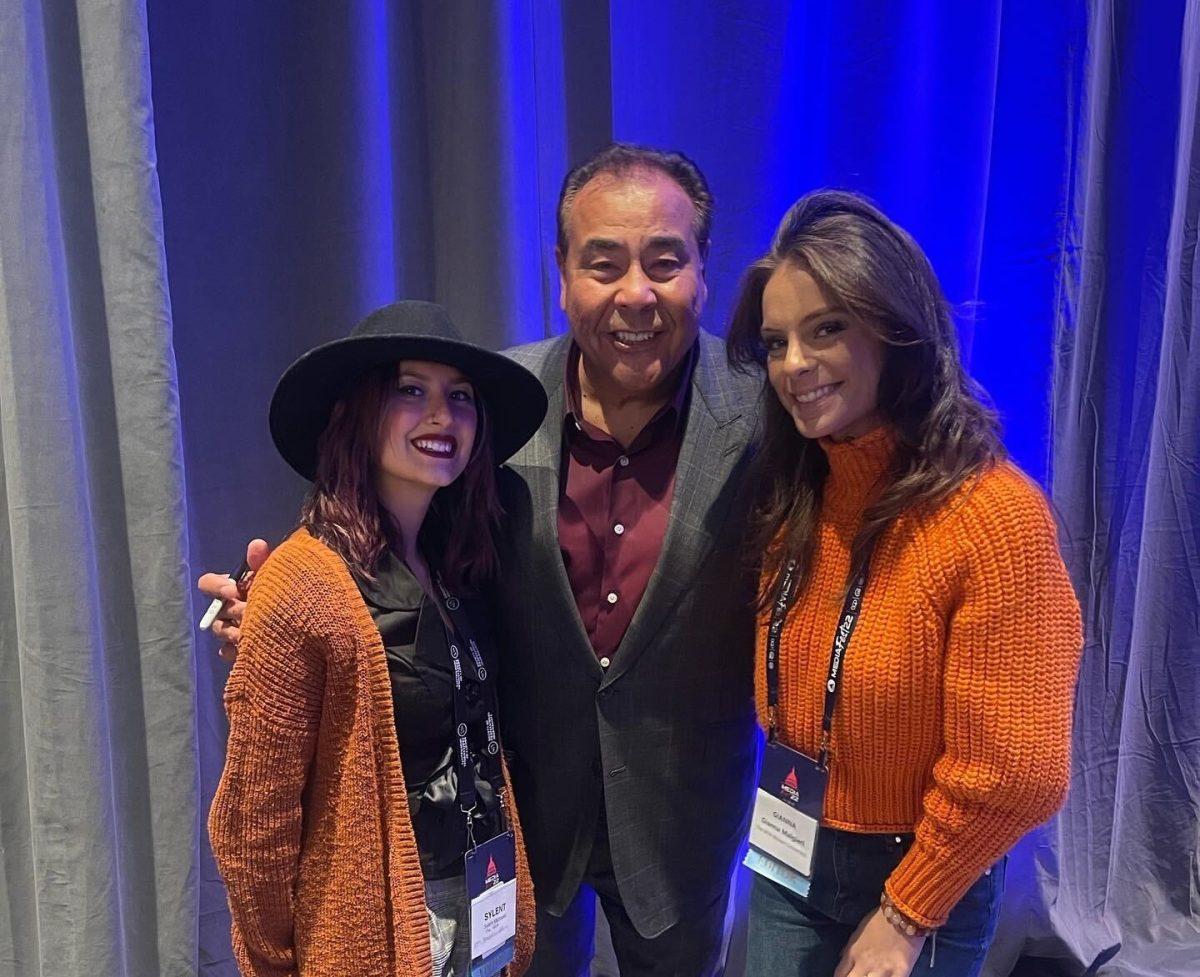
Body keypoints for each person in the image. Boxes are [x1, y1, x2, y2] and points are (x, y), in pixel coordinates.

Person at [202, 144, 764, 977]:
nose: (635, 293)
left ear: (703, 272)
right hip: (519, 829)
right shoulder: (502, 401)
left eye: (665, 261)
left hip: (683, 826)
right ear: (563, 272)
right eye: (603, 262)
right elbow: (381, 552)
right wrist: (282, 619)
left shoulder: (764, 415)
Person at [725, 191, 1083, 977]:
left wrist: (907, 911)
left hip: (916, 873)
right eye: (776, 341)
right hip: (792, 844)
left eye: (825, 330)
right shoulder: (797, 496)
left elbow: (1021, 770)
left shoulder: (994, 519)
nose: (793, 365)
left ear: (895, 329)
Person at [207, 301, 546, 977]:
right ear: (356, 412)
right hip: (375, 930)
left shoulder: (460, 563)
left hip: (481, 907)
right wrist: (279, 965)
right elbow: (254, 827)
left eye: (461, 397)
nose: (441, 417)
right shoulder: (303, 583)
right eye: (411, 390)